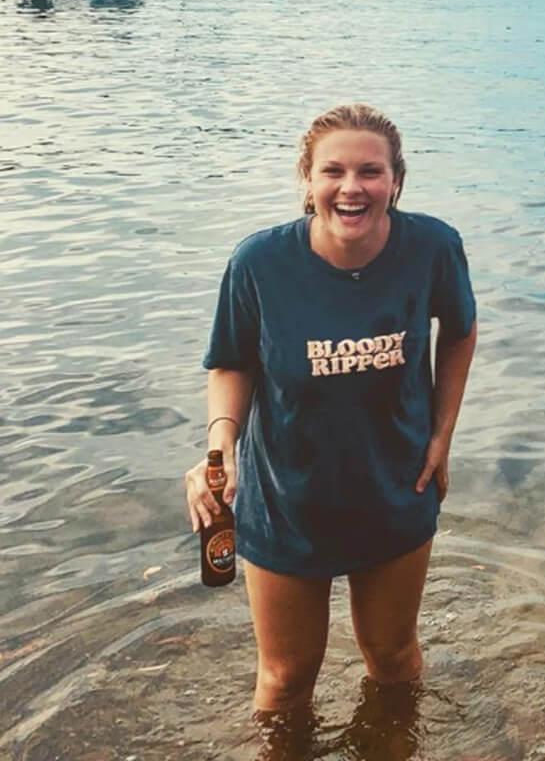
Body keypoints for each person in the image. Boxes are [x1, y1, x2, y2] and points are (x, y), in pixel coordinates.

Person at [184, 103, 478, 716]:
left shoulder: (433, 247)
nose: (352, 188)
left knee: (393, 658)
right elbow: (231, 363)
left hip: (396, 486)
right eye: (333, 171)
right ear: (308, 179)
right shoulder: (259, 263)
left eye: (370, 171)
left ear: (396, 181)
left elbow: (459, 330)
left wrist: (442, 435)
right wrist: (220, 445)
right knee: (286, 679)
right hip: (287, 497)